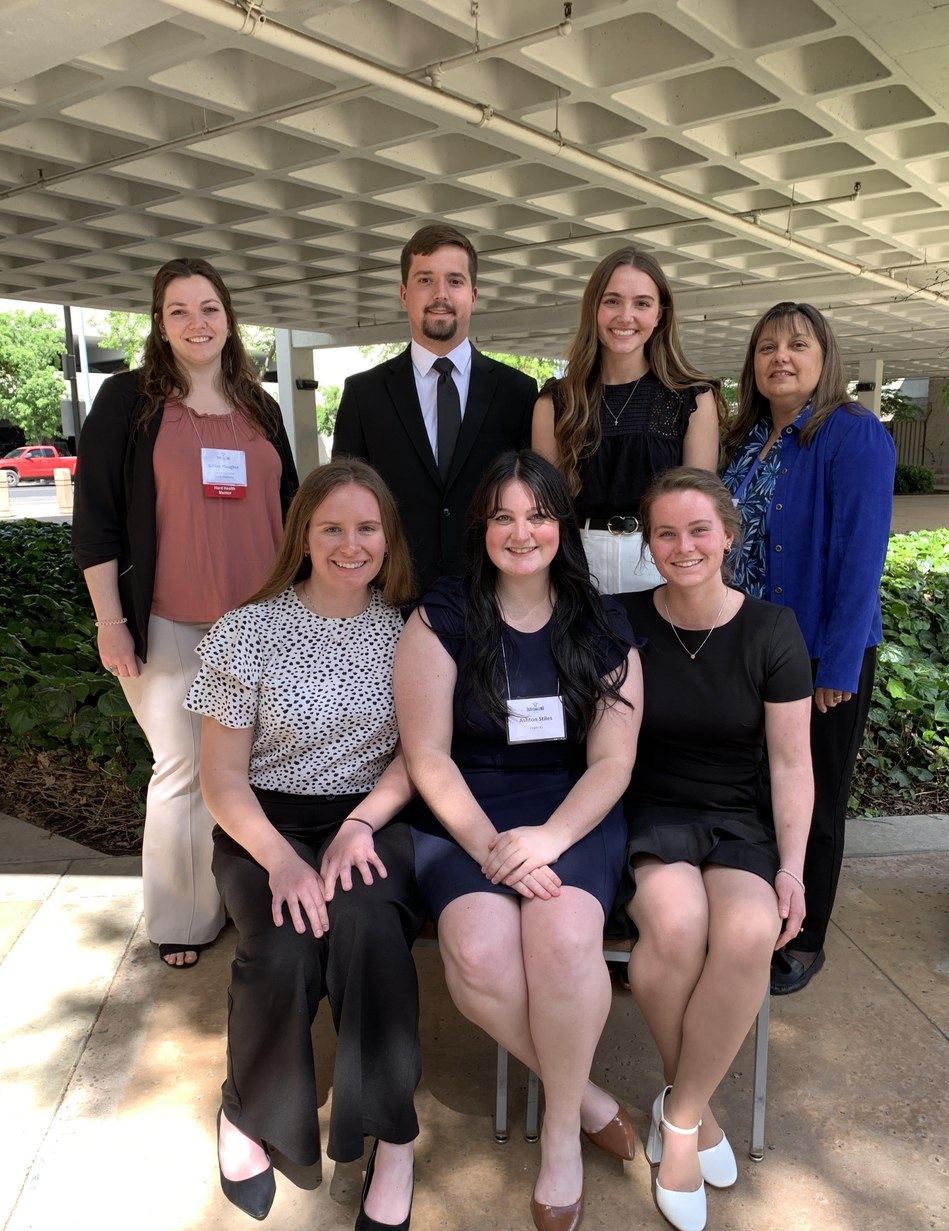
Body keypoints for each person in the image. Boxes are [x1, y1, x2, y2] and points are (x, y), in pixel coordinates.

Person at [394, 451, 643, 1231]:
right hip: (468, 811)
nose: (521, 530)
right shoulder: (441, 618)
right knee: (477, 956)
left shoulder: (602, 622)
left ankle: (560, 1139)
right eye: (502, 516)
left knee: (566, 939)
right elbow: (427, 756)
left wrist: (549, 840)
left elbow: (612, 760)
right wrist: (491, 847)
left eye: (536, 514)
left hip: (571, 809)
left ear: (560, 525)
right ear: (482, 529)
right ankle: (589, 1100)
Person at [184, 459, 424, 1231]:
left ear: (387, 536)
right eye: (332, 528)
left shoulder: (408, 631)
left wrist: (357, 827)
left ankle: (391, 1135)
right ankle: (249, 1110)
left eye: (366, 528)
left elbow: (415, 759)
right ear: (303, 535)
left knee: (365, 931)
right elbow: (220, 781)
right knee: (282, 942)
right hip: (264, 823)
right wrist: (284, 861)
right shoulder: (245, 630)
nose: (350, 544)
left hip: (368, 818)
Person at [72, 258, 298, 968]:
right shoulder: (125, 403)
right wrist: (111, 619)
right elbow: (97, 519)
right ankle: (182, 918)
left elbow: (291, 509)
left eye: (208, 308)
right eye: (179, 311)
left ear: (228, 318)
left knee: (254, 769)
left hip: (259, 622)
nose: (196, 323)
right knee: (182, 767)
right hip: (168, 620)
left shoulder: (260, 407)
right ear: (159, 325)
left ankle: (242, 899)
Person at [616, 467, 814, 1231]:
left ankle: (682, 1112)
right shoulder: (619, 619)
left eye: (699, 529)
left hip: (737, 817)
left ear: (730, 535)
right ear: (648, 544)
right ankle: (690, 1120)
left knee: (748, 930)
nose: (683, 545)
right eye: (665, 532)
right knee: (674, 928)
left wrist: (791, 867)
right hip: (651, 810)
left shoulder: (772, 629)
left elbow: (793, 763)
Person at [721, 302, 895, 995]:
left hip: (818, 654)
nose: (781, 357)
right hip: (748, 648)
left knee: (814, 799)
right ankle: (758, 914)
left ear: (826, 358)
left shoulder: (851, 435)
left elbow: (861, 560)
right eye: (767, 346)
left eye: (797, 344)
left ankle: (805, 936)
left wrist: (839, 664)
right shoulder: (750, 437)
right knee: (762, 792)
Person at [334, 222, 538, 592]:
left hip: (492, 597)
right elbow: (344, 504)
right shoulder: (364, 394)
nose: (440, 294)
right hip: (392, 596)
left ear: (473, 295)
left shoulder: (518, 393)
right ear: (403, 293)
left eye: (455, 281)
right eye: (425, 280)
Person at [532, 246, 723, 595]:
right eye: (612, 301)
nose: (626, 316)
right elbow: (547, 510)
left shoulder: (691, 399)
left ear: (660, 314)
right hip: (577, 563)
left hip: (660, 561)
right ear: (593, 308)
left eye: (642, 303)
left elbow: (697, 509)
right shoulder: (556, 401)